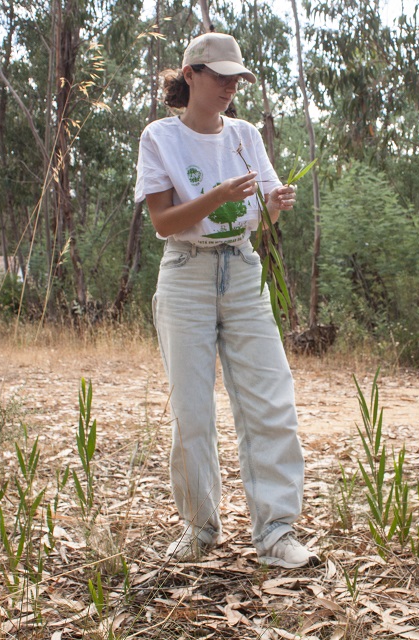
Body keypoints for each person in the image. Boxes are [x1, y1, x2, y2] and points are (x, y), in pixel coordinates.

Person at [133, 32, 320, 569]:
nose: (229, 87)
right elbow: (164, 222)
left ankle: (277, 530)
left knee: (270, 400)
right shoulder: (160, 137)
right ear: (190, 74)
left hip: (241, 269)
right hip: (186, 273)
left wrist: (276, 201)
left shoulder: (244, 134)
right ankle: (199, 528)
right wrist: (216, 196)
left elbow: (266, 206)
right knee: (192, 412)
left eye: (236, 78)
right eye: (219, 76)